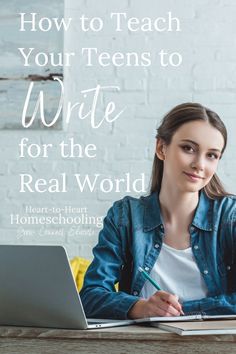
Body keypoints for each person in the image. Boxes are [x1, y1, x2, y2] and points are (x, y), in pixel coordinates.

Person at [80, 102, 236, 319]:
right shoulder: (125, 216)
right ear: (161, 148)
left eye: (212, 155)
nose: (199, 164)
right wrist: (139, 307)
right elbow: (90, 296)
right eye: (188, 148)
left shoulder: (230, 217)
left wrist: (179, 312)